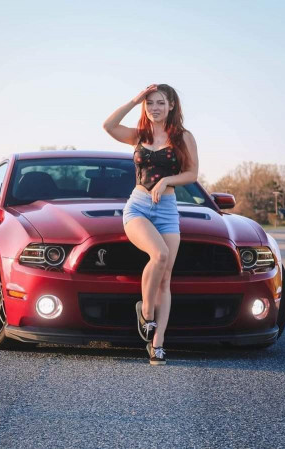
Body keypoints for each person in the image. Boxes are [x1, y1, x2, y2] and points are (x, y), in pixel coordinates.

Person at [103, 84, 198, 365]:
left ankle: (157, 345)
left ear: (171, 106)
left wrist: (167, 180)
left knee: (166, 278)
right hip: (138, 207)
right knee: (159, 255)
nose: (154, 108)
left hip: (167, 209)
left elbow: (192, 173)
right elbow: (108, 125)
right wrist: (134, 100)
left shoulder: (183, 137)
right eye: (149, 103)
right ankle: (146, 313)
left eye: (160, 103)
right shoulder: (138, 135)